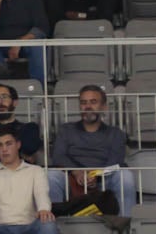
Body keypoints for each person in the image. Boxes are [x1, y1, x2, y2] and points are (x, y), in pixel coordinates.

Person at [48, 85, 134, 215]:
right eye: (83, 102)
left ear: (104, 106)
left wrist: (95, 176)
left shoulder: (116, 133)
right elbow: (58, 156)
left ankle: (125, 225)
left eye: (93, 102)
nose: (88, 106)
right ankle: (54, 226)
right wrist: (78, 173)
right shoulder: (66, 130)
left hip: (104, 181)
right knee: (51, 176)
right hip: (72, 180)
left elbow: (115, 162)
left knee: (125, 176)